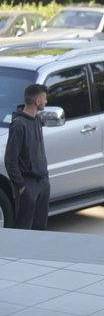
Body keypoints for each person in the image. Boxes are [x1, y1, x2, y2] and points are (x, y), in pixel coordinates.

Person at [4, 84, 50, 230]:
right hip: (27, 185)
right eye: (45, 98)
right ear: (37, 101)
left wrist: (45, 180)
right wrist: (22, 187)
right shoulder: (18, 125)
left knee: (40, 229)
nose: (46, 101)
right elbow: (10, 160)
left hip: (42, 182)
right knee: (23, 230)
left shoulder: (37, 120)